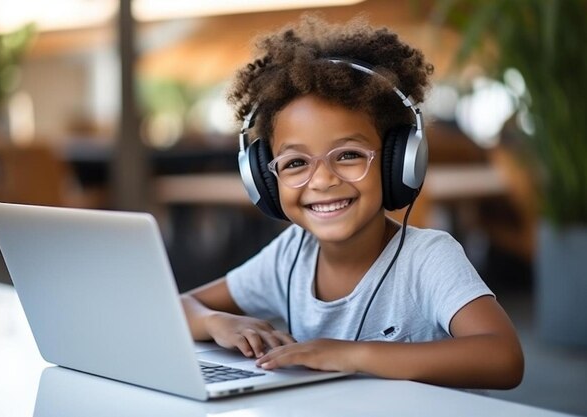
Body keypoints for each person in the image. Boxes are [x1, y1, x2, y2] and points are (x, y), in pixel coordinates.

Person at [181, 14, 524, 390]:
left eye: (348, 155)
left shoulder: (427, 259)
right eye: (295, 163)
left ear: (399, 162)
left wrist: (350, 354)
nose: (323, 180)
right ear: (264, 177)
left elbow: (503, 358)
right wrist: (218, 323)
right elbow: (178, 305)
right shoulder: (290, 256)